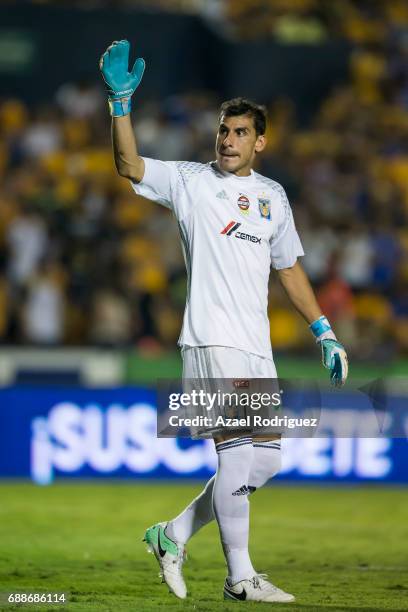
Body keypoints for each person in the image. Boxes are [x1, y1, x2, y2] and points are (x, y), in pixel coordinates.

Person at [100, 40, 348, 604]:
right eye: (223, 131)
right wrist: (120, 105)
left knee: (268, 459)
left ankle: (173, 535)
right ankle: (240, 576)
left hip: (256, 345)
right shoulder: (191, 182)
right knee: (235, 451)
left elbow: (289, 269)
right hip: (211, 338)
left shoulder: (272, 198)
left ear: (260, 142)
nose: (228, 140)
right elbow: (128, 165)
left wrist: (324, 331)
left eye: (239, 133)